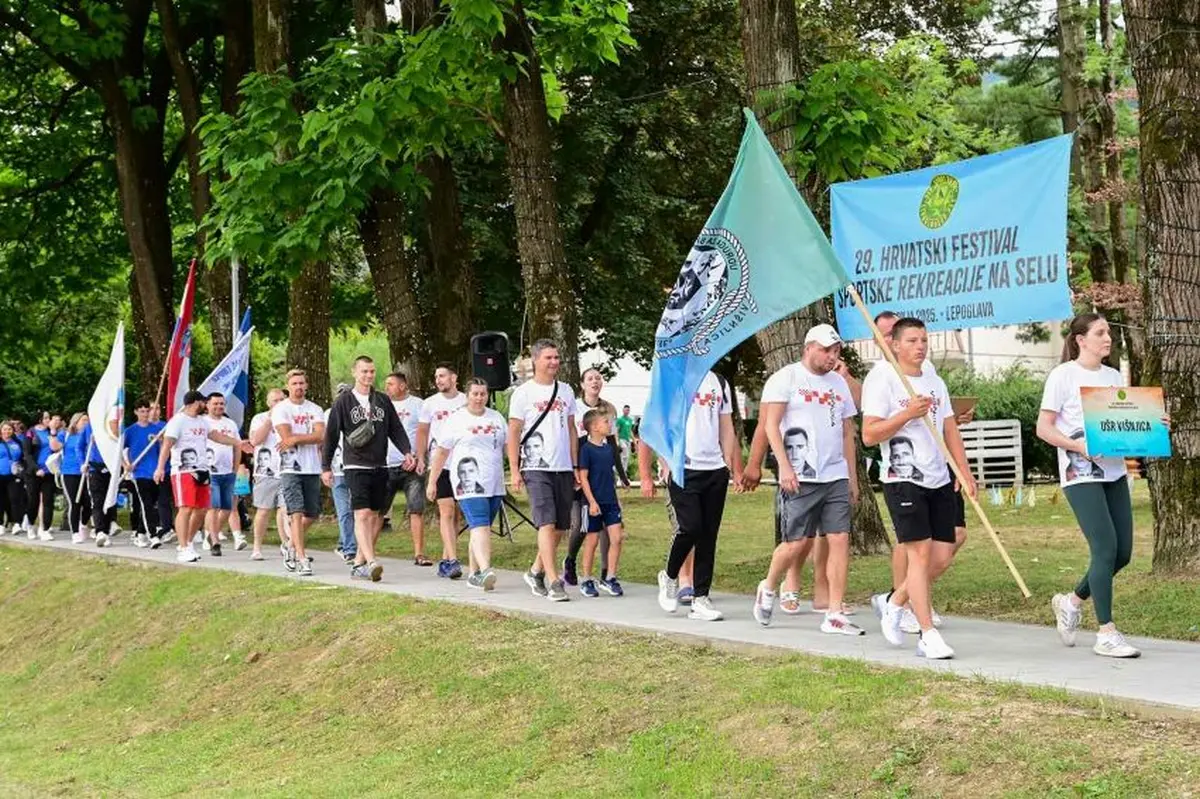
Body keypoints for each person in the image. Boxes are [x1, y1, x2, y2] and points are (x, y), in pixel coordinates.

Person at [862, 317, 975, 660]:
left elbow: (950, 429)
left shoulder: (934, 380)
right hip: (902, 477)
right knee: (919, 554)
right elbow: (870, 434)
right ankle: (928, 634)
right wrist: (907, 414)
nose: (920, 346)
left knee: (943, 552)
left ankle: (895, 600)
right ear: (894, 344)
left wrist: (964, 471)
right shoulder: (882, 377)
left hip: (938, 476)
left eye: (924, 340)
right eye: (912, 340)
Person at [1038, 313, 1144, 658]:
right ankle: (1106, 633)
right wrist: (1078, 446)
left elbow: (1122, 423)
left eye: (1109, 332)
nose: (1108, 338)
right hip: (1080, 474)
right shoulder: (1063, 376)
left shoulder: (1113, 375)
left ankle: (1070, 602)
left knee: (1122, 553)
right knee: (1104, 548)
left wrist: (1151, 424)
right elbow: (1044, 428)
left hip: (1113, 472)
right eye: (1100, 333)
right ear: (1081, 340)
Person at [752, 324, 863, 635]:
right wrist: (785, 467)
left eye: (836, 351)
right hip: (801, 475)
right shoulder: (786, 378)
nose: (831, 356)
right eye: (826, 350)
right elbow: (771, 425)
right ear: (809, 347)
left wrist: (851, 477)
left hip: (835, 474)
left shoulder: (838, 385)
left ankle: (835, 612)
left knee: (840, 539)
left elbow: (846, 432)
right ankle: (770, 586)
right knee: (795, 543)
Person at [640, 370, 742, 622]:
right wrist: (665, 461)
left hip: (714, 469)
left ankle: (701, 598)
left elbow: (726, 425)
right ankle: (670, 575)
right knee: (690, 527)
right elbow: (655, 425)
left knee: (708, 535)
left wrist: (727, 462)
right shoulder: (670, 380)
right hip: (682, 467)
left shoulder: (719, 381)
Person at [322, 356, 414, 583]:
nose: (368, 376)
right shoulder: (343, 402)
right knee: (362, 514)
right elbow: (331, 436)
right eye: (364, 371)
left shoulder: (382, 400)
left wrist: (407, 451)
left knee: (375, 516)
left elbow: (396, 429)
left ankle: (358, 564)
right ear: (355, 372)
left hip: (380, 464)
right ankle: (371, 560)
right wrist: (325, 467)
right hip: (355, 465)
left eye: (372, 371)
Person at [507, 339, 579, 602]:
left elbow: (571, 429)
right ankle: (553, 580)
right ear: (536, 360)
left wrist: (575, 465)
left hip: (563, 466)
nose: (554, 362)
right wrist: (515, 469)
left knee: (560, 527)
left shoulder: (566, 391)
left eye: (557, 357)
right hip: (536, 466)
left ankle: (536, 570)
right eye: (548, 357)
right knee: (546, 522)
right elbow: (514, 432)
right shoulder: (523, 393)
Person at [426, 377, 506, 590]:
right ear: (467, 395)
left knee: (481, 528)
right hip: (467, 482)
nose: (479, 398)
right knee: (480, 525)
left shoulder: (497, 418)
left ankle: (474, 573)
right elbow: (442, 451)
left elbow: (506, 446)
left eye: (483, 394)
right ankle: (486, 569)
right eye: (475, 394)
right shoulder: (456, 419)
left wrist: (515, 471)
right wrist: (432, 481)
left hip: (494, 482)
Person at [155, 390, 252, 563]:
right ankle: (183, 547)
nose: (204, 406)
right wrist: (160, 468)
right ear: (195, 402)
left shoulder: (201, 421)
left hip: (202, 469)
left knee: (200, 509)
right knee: (185, 508)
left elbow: (216, 436)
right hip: (183, 470)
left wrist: (237, 442)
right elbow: (167, 444)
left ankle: (188, 542)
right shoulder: (178, 421)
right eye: (202, 402)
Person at [563, 367, 629, 586]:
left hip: (601, 470)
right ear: (582, 384)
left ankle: (605, 572)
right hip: (579, 466)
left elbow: (612, 443)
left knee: (606, 528)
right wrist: (573, 468)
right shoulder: (574, 405)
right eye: (590, 378)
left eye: (598, 378)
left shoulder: (608, 408)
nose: (595, 382)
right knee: (581, 525)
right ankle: (571, 560)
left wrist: (622, 475)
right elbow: (569, 437)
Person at [272, 370, 326, 575]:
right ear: (288, 386)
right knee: (296, 513)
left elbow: (320, 435)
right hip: (290, 467)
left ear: (307, 385)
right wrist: (302, 437)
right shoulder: (281, 409)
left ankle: (289, 544)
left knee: (311, 514)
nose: (299, 387)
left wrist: (296, 439)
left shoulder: (315, 409)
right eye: (294, 383)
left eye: (302, 383)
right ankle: (302, 558)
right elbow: (285, 436)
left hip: (311, 467)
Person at [417, 362, 468, 579]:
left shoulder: (466, 400)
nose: (438, 380)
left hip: (463, 462)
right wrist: (421, 457)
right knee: (446, 510)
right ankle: (452, 560)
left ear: (454, 378)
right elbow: (422, 432)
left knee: (456, 513)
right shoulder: (429, 404)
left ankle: (447, 557)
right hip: (440, 463)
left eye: (443, 376)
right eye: (436, 376)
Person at [577, 408, 625, 597]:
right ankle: (587, 578)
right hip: (592, 503)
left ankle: (610, 577)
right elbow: (584, 477)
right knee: (592, 540)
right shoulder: (586, 450)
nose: (609, 424)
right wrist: (592, 501)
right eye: (605, 422)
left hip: (610, 501)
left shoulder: (608, 449)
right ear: (595, 427)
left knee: (617, 538)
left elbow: (609, 476)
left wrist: (617, 499)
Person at [383, 371, 430, 566]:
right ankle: (366, 554)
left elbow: (423, 433)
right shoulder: (382, 405)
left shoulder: (418, 405)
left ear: (402, 385)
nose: (387, 388)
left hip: (411, 465)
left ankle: (419, 553)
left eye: (391, 384)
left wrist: (419, 457)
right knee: (378, 511)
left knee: (416, 508)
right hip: (386, 464)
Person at [248, 388, 290, 562]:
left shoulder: (290, 417)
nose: (279, 403)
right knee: (264, 510)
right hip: (266, 472)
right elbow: (255, 440)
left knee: (286, 509)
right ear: (268, 403)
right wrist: (270, 419)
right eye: (275, 400)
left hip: (287, 470)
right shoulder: (259, 418)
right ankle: (257, 547)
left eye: (282, 399)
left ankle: (287, 544)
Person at [200, 393, 242, 556]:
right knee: (213, 506)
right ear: (207, 405)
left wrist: (235, 467)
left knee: (227, 508)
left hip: (228, 471)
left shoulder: (230, 423)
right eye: (215, 403)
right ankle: (215, 542)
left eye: (221, 404)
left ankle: (212, 534)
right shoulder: (203, 422)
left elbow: (237, 445)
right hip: (210, 471)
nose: (219, 407)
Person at [124, 398, 166, 548]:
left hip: (154, 472)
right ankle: (153, 535)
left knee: (150, 504)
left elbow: (164, 451)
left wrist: (161, 442)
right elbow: (122, 450)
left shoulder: (156, 430)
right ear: (136, 412)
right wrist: (127, 465)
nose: (145, 414)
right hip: (140, 473)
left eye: (147, 411)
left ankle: (141, 533)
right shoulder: (130, 431)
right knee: (146, 503)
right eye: (141, 411)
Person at [327, 384, 356, 564]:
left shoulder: (357, 412)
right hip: (337, 469)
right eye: (340, 394)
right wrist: (325, 467)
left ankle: (344, 543)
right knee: (344, 510)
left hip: (356, 467)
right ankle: (350, 549)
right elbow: (325, 443)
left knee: (357, 510)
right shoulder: (328, 414)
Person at [27, 413, 64, 538]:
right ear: (40, 420)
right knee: (34, 501)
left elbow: (57, 448)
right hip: (34, 472)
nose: (50, 420)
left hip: (49, 471)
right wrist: (36, 469)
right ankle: (31, 525)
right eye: (47, 418)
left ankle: (45, 529)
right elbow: (27, 454)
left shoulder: (53, 433)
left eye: (50, 418)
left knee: (48, 500)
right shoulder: (31, 432)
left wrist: (53, 432)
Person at [59, 412, 92, 543]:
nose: (86, 423)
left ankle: (83, 524)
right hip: (69, 472)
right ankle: (75, 532)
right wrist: (54, 432)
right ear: (76, 422)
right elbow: (54, 447)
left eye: (87, 421)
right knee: (74, 503)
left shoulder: (90, 436)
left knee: (89, 502)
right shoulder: (66, 434)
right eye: (83, 420)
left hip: (87, 473)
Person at [148, 402, 175, 543]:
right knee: (148, 502)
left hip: (165, 469)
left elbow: (173, 446)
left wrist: (162, 441)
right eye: (151, 408)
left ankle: (167, 527)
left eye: (157, 408)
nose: (154, 411)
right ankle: (146, 529)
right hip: (146, 471)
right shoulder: (141, 427)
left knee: (164, 500)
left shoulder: (166, 426)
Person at [0, 421, 27, 535]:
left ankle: (16, 523)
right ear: (1, 430)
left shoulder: (17, 443)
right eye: (5, 429)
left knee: (15, 499)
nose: (7, 431)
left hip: (14, 475)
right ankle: (1, 524)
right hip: (0, 475)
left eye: (9, 429)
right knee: (1, 500)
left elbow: (23, 458)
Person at [616, 405, 635, 472]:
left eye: (628, 410)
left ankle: (624, 473)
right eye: (625, 410)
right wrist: (617, 441)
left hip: (628, 440)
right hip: (621, 439)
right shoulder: (620, 419)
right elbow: (617, 431)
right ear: (623, 410)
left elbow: (630, 431)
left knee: (626, 458)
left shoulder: (630, 420)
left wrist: (634, 440)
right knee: (624, 454)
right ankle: (620, 473)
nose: (627, 411)